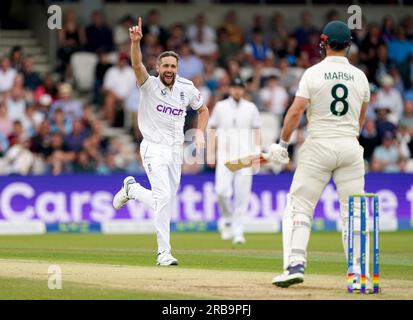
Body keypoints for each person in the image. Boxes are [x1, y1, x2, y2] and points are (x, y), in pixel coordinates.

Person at [267, 21, 370, 289]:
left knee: (300, 206)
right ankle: (359, 274)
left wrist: (282, 145)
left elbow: (295, 112)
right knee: (354, 212)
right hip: (350, 147)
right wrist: (347, 139)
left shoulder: (313, 73)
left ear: (323, 43)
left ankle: (295, 265)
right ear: (348, 45)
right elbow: (360, 119)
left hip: (319, 145)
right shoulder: (360, 77)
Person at [112, 18, 209, 266]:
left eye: (173, 66)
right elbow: (136, 65)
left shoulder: (187, 88)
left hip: (176, 151)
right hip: (152, 147)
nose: (169, 70)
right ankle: (163, 253)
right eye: (165, 65)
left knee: (165, 201)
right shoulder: (149, 85)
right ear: (157, 67)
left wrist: (199, 133)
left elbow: (203, 110)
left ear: (178, 68)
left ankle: (132, 190)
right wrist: (136, 43)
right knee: (163, 197)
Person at [208, 77, 261, 244]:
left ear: (243, 90)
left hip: (245, 157)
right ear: (230, 89)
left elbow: (257, 131)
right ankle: (227, 220)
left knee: (242, 196)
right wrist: (210, 152)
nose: (237, 90)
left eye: (240, 88)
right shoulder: (221, 106)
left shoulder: (251, 108)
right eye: (234, 87)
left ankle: (238, 230)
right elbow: (211, 127)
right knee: (222, 192)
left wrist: (257, 155)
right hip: (225, 156)